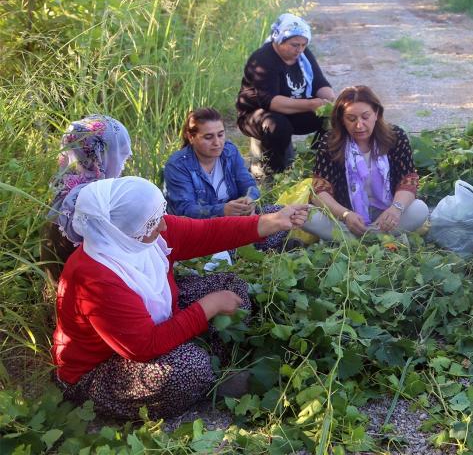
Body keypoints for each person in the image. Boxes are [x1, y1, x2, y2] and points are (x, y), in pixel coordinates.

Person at [52, 176, 309, 419]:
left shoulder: (139, 237)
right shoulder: (94, 279)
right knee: (188, 370)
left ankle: (216, 367)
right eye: (153, 223)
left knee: (230, 285)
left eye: (159, 216)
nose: (163, 225)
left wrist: (274, 220)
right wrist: (208, 307)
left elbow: (209, 232)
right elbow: (142, 347)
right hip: (101, 368)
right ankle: (203, 377)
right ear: (121, 230)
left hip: (152, 325)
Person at [302, 85, 428, 240]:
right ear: (342, 119)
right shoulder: (330, 143)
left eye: (365, 117)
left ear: (376, 113)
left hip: (386, 214)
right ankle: (378, 238)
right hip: (347, 216)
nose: (359, 125)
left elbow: (408, 180)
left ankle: (355, 240)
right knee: (305, 215)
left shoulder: (396, 137)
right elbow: (320, 192)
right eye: (351, 119)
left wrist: (395, 210)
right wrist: (345, 214)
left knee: (420, 209)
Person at [163, 108, 289, 250]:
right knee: (225, 250)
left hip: (236, 221)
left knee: (282, 214)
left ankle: (257, 247)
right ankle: (259, 248)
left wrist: (249, 200)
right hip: (201, 229)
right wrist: (222, 211)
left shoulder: (229, 151)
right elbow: (184, 210)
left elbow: (248, 183)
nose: (217, 142)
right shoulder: (178, 165)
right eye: (208, 137)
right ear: (191, 137)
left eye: (221, 135)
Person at [236, 13, 336, 176]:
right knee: (278, 125)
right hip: (257, 116)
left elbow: (320, 83)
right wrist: (312, 104)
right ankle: (273, 172)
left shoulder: (303, 54)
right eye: (294, 45)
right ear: (279, 39)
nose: (300, 50)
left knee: (335, 118)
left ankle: (316, 165)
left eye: (304, 45)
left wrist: (331, 101)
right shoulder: (263, 59)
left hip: (293, 112)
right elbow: (271, 102)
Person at [41, 115, 132, 286]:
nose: (124, 165)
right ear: (100, 157)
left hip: (60, 287)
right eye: (122, 157)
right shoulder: (99, 199)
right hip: (90, 291)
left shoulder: (64, 186)